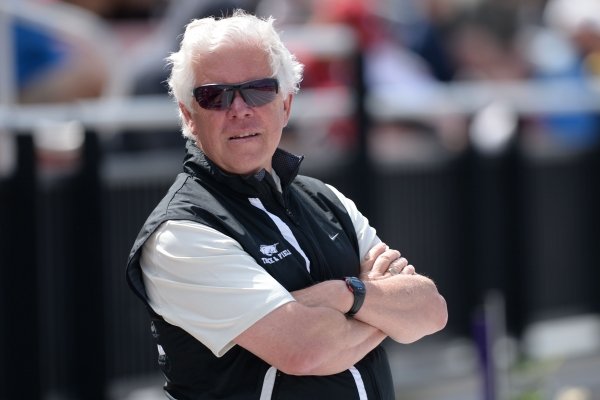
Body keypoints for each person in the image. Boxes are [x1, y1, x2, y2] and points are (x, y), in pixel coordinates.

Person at [126, 9, 447, 400]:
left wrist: (344, 295)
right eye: (214, 95)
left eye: (258, 89)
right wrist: (382, 309)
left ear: (286, 104)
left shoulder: (327, 200)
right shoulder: (181, 232)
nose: (239, 108)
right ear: (188, 116)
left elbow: (429, 312)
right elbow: (307, 351)